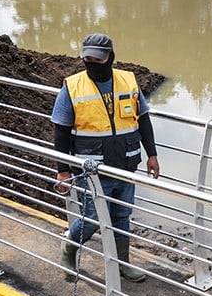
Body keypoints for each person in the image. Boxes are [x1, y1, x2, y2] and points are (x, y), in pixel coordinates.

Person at [51, 33, 160, 283]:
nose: (91, 63)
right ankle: (69, 245)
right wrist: (63, 170)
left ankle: (123, 263)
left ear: (110, 58)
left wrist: (152, 154)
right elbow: (61, 131)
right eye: (86, 59)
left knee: (121, 216)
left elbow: (143, 119)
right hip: (92, 169)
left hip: (125, 165)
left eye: (97, 59)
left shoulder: (128, 81)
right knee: (92, 219)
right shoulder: (72, 86)